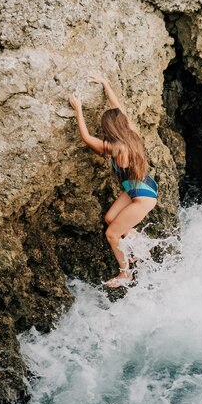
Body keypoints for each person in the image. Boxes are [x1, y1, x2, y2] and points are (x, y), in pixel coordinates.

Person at [69, 74, 158, 288]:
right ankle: (140, 245)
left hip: (142, 198)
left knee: (111, 234)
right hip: (140, 188)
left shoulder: (116, 148)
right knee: (110, 217)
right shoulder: (132, 133)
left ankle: (125, 273)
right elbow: (119, 107)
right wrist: (106, 84)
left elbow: (87, 138)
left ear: (110, 130)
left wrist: (78, 110)